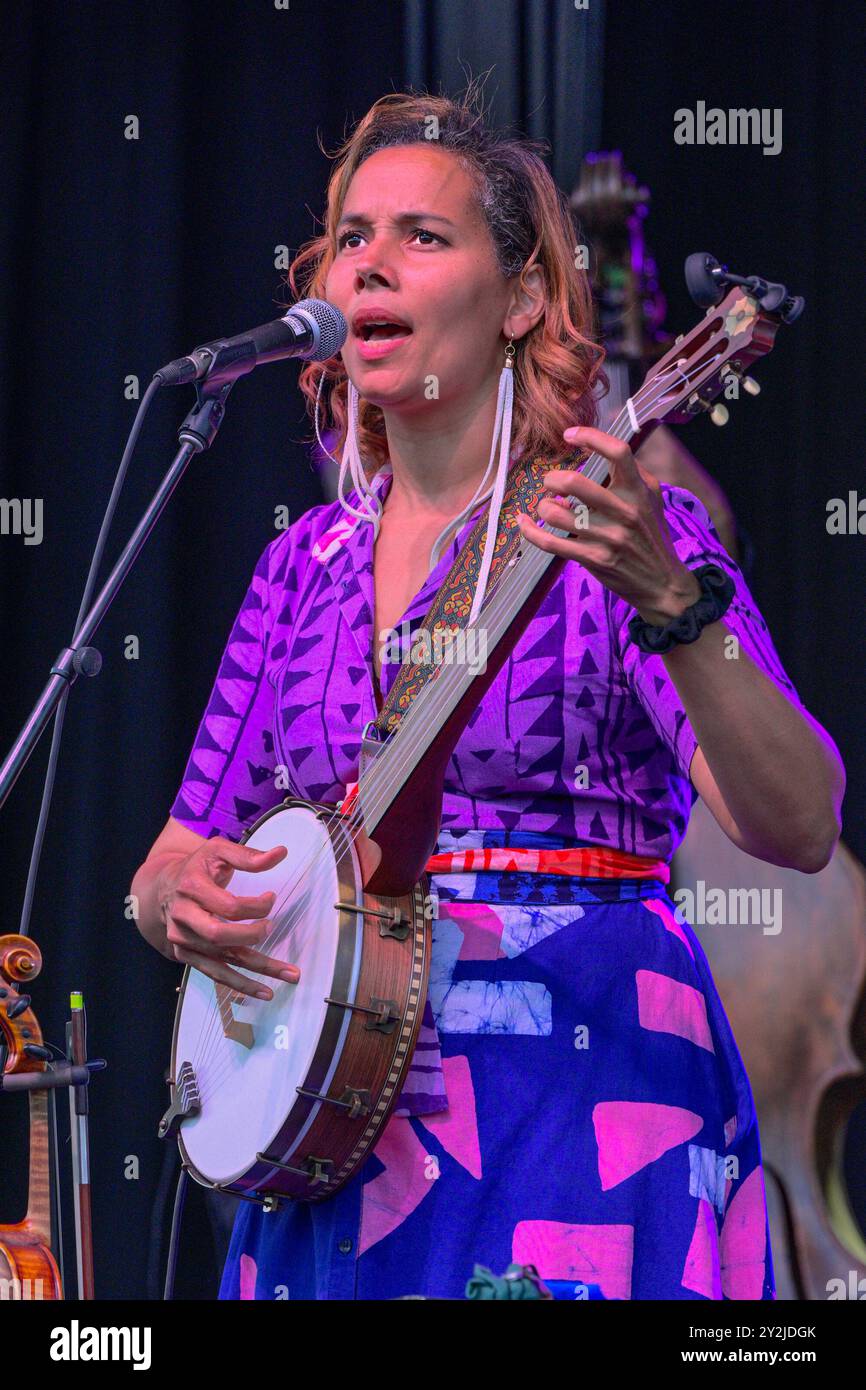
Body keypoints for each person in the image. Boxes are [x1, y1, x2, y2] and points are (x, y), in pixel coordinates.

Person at [130, 87, 844, 1301]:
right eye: (352, 237)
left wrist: (670, 601)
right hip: (327, 1130)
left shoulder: (630, 530)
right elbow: (170, 861)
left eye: (422, 236)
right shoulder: (295, 569)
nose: (370, 266)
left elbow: (797, 822)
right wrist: (176, 907)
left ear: (519, 299)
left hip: (580, 1116)